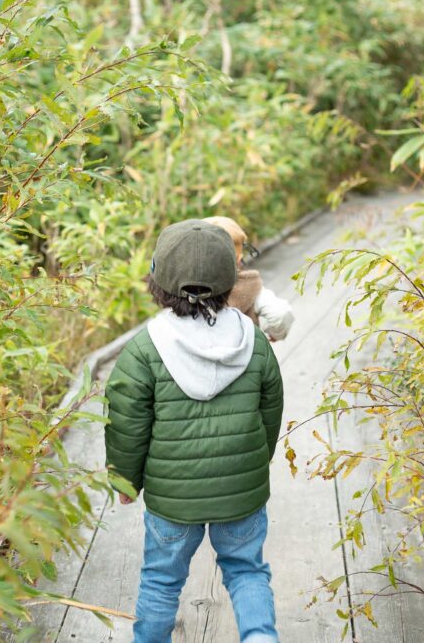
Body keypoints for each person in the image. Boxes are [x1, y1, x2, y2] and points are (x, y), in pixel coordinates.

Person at [105, 219, 285, 643]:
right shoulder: (253, 342)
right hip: (241, 492)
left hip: (172, 501)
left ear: (158, 279)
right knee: (246, 572)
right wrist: (257, 461)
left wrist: (124, 480)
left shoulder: (144, 349)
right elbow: (271, 409)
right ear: (231, 280)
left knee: (161, 581)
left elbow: (127, 424)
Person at [203, 216, 294, 342]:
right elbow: (281, 313)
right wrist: (273, 334)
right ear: (239, 259)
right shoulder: (249, 286)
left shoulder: (186, 291)